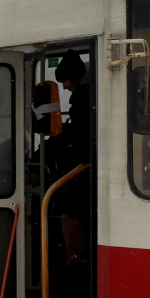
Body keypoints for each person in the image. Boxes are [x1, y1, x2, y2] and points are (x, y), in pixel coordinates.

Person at [53, 52, 93, 266]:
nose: (65, 86)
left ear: (76, 76)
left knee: (69, 211)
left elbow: (80, 133)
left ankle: (74, 258)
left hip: (82, 164)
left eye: (66, 81)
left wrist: (61, 141)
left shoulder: (81, 96)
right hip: (88, 163)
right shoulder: (92, 92)